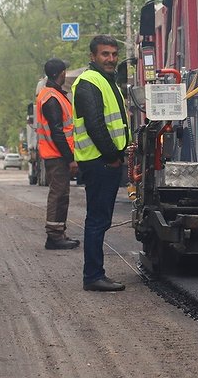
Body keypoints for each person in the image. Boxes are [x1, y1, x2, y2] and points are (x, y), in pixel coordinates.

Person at [71, 35, 130, 292]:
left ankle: (94, 274)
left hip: (104, 160)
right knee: (97, 220)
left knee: (100, 219)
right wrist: (113, 157)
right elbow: (95, 125)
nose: (111, 59)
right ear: (92, 57)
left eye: (114, 54)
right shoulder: (89, 82)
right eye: (105, 54)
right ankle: (93, 276)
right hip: (99, 162)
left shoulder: (108, 81)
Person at [36, 58, 79, 250]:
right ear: (59, 73)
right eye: (64, 72)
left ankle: (58, 232)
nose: (64, 74)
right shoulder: (51, 97)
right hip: (57, 155)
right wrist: (70, 158)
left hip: (56, 154)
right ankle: (54, 236)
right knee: (58, 194)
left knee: (62, 194)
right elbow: (57, 131)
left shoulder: (54, 95)